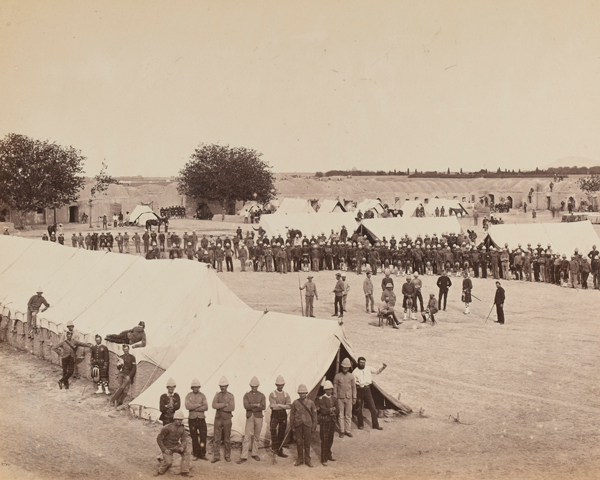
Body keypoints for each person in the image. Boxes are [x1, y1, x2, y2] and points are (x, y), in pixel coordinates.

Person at [155, 410, 193, 477]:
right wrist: (164, 449)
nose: (179, 421)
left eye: (181, 420)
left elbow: (184, 439)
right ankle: (160, 471)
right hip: (167, 447)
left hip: (176, 446)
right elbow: (159, 439)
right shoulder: (167, 427)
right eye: (178, 420)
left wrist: (182, 447)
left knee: (187, 451)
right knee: (169, 462)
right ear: (174, 419)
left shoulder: (182, 428)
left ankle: (184, 471)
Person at [237, 376, 266, 463]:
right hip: (250, 417)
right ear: (250, 386)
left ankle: (255, 453)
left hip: (259, 417)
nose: (254, 388)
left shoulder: (262, 395)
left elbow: (263, 406)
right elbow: (246, 406)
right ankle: (244, 456)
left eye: (256, 386)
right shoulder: (246, 395)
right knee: (247, 436)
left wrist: (252, 406)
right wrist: (257, 405)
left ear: (258, 386)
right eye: (253, 386)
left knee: (257, 436)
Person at [352, 357, 385, 432]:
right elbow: (353, 384)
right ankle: (360, 424)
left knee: (373, 407)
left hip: (367, 390)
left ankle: (376, 425)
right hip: (359, 390)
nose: (362, 364)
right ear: (358, 362)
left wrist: (383, 367)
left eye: (363, 362)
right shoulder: (354, 372)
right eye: (361, 362)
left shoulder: (368, 368)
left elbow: (377, 372)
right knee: (359, 408)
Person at [290, 383, 317, 467]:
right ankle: (300, 459)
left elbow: (314, 415)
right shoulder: (295, 403)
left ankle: (308, 460)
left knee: (307, 443)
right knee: (299, 443)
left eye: (303, 393)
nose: (302, 394)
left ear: (306, 393)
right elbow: (292, 416)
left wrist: (313, 426)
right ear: (298, 394)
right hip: (298, 425)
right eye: (300, 393)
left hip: (308, 425)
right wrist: (292, 427)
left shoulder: (311, 403)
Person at [211, 376, 235, 463]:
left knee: (227, 439)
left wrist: (220, 406)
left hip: (227, 419)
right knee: (216, 438)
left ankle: (227, 455)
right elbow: (213, 405)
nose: (222, 388)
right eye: (221, 386)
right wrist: (224, 404)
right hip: (218, 419)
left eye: (224, 386)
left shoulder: (231, 396)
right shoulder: (217, 395)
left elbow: (232, 408)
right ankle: (216, 456)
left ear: (227, 386)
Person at [185, 378, 209, 461]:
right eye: (194, 387)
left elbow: (206, 407)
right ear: (192, 387)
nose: (196, 389)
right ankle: (195, 454)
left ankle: (202, 454)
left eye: (197, 387)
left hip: (201, 419)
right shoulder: (188, 396)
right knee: (194, 437)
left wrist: (194, 407)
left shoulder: (203, 395)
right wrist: (199, 405)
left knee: (203, 436)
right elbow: (187, 406)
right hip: (192, 419)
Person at [316, 380, 338, 466]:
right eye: (327, 390)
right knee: (324, 440)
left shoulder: (334, 398)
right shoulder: (321, 399)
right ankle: (323, 458)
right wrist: (332, 410)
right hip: (324, 421)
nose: (329, 391)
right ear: (324, 390)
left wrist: (331, 411)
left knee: (330, 439)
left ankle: (329, 454)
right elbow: (323, 411)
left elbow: (338, 410)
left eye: (330, 389)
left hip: (332, 421)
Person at [333, 357, 356, 438]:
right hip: (340, 398)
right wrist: (335, 395)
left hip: (349, 398)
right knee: (340, 414)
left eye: (347, 367)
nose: (345, 368)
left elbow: (353, 387)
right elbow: (335, 386)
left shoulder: (351, 376)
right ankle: (342, 430)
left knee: (348, 415)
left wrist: (354, 397)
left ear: (349, 368)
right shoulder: (337, 376)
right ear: (341, 367)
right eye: (343, 367)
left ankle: (348, 430)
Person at [269, 375, 291, 457]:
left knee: (282, 432)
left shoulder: (286, 394)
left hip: (283, 415)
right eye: (278, 385)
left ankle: (279, 449)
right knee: (273, 429)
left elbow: (289, 406)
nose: (280, 386)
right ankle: (274, 447)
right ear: (276, 385)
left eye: (281, 385)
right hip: (275, 415)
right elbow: (273, 407)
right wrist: (283, 405)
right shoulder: (272, 394)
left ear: (283, 385)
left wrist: (278, 405)